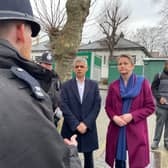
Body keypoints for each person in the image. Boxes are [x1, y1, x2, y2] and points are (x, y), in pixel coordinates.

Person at [0, 0, 81, 168]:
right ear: (21, 32)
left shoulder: (49, 80)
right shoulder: (22, 98)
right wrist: (70, 154)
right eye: (31, 35)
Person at [105, 54, 155, 168]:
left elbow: (150, 107)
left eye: (125, 63)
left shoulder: (143, 83)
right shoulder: (113, 86)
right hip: (117, 129)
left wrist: (132, 116)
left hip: (136, 130)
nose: (122, 66)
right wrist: (114, 117)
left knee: (137, 161)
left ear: (132, 66)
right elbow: (108, 107)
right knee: (119, 161)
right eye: (120, 64)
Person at [60, 57, 101, 168]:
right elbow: (63, 106)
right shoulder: (66, 86)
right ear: (74, 69)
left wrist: (86, 124)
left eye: (81, 66)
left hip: (88, 128)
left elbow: (96, 106)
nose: (79, 69)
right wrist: (76, 124)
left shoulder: (94, 85)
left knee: (89, 158)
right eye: (77, 67)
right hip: (70, 127)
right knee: (69, 157)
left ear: (86, 68)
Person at [39, 52, 62, 127]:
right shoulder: (35, 76)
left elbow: (60, 93)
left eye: (50, 64)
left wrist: (59, 108)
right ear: (40, 63)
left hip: (53, 117)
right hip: (39, 115)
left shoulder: (56, 78)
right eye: (45, 64)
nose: (48, 67)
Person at [151, 61, 168, 150]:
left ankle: (166, 141)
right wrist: (159, 97)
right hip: (161, 106)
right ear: (165, 65)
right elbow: (153, 88)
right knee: (159, 124)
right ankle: (156, 141)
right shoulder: (158, 75)